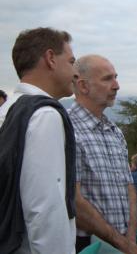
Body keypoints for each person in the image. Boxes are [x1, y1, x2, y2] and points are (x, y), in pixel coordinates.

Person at [0, 27, 77, 253]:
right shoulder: (44, 115)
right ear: (51, 58)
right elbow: (45, 209)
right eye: (71, 62)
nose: (75, 72)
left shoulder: (7, 111)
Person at [68, 54, 137, 254]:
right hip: (88, 246)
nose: (116, 85)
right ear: (83, 86)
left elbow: (130, 187)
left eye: (116, 77)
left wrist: (130, 240)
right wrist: (123, 244)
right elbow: (73, 198)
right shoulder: (67, 129)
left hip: (124, 242)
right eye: (108, 79)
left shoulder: (115, 131)